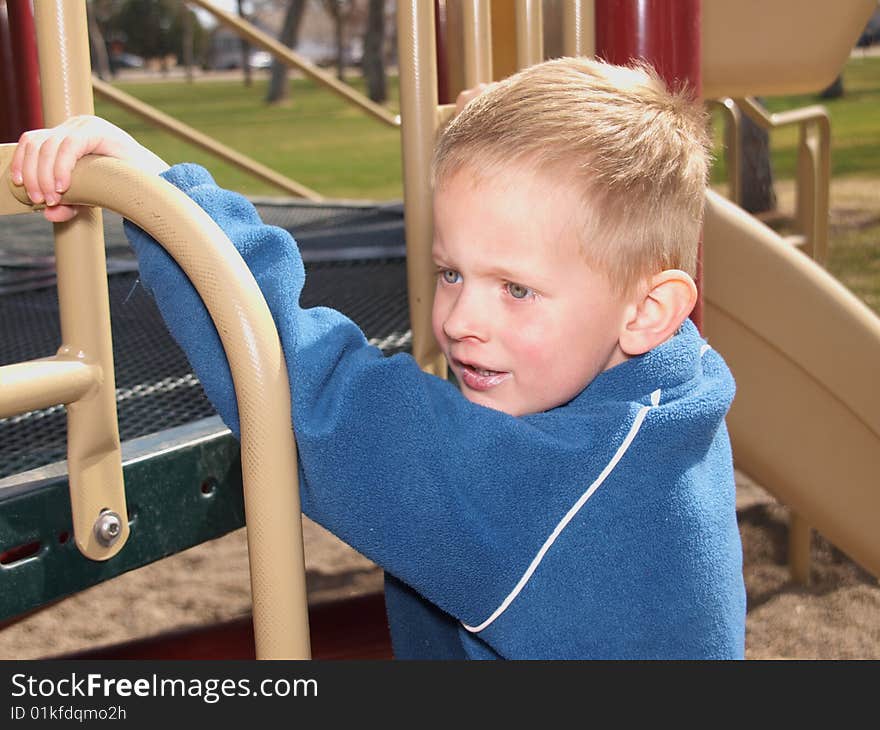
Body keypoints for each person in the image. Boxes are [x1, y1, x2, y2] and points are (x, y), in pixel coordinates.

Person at [10, 57, 746, 659]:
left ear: (649, 312)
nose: (460, 320)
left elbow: (313, 398)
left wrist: (161, 198)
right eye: (451, 272)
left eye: (516, 289)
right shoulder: (672, 401)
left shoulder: (550, 486)